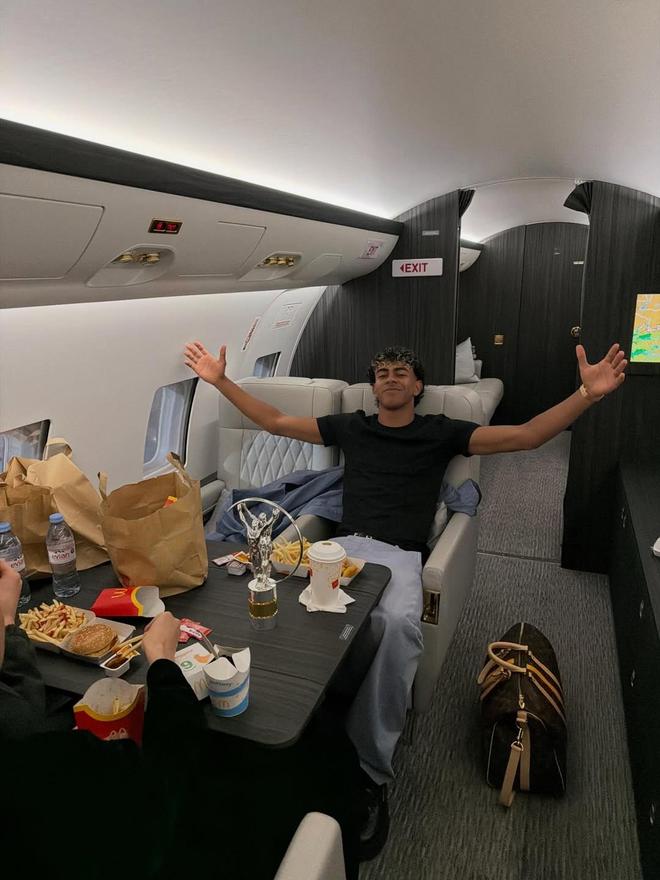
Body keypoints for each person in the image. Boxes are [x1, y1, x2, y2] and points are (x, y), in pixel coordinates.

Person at [184, 338, 627, 857]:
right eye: (382, 373)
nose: (390, 378)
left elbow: (527, 437)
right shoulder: (352, 427)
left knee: (397, 626)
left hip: (398, 555)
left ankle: (370, 770)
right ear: (374, 388)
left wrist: (586, 395)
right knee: (278, 610)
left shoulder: (442, 432)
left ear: (418, 386)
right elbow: (277, 422)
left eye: (401, 372)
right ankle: (288, 723)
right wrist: (220, 381)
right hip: (341, 547)